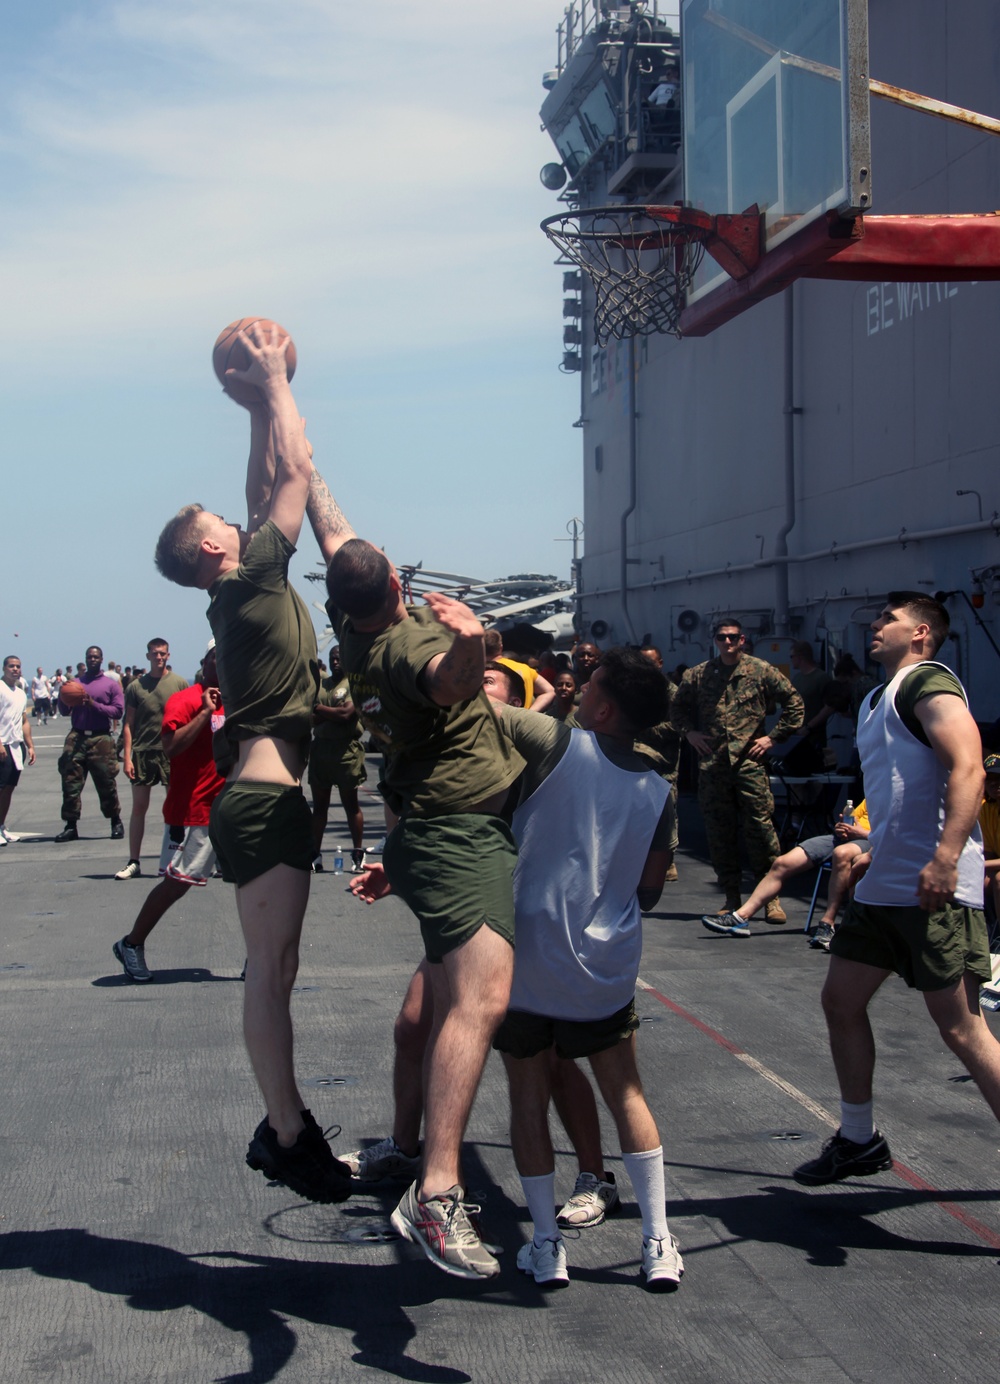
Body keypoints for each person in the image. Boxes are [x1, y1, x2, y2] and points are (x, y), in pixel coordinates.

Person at [153, 322, 351, 1206]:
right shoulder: (251, 578)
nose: (235, 522)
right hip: (266, 799)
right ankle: (284, 1131)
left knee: (278, 968)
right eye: (220, 527)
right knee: (269, 973)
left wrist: (247, 413)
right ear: (210, 552)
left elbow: (263, 483)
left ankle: (285, 1123)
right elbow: (296, 478)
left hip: (265, 792)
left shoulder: (242, 584)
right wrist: (273, 385)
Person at [308, 477, 524, 1280]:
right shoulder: (407, 645)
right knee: (483, 1001)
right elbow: (453, 681)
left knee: (418, 1016)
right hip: (461, 838)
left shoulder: (353, 622)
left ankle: (403, 1149)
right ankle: (437, 1193)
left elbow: (334, 536)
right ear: (399, 583)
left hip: (426, 837)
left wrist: (288, 430)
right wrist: (472, 635)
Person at [344, 661, 622, 1239]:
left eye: (491, 679)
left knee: (550, 1060)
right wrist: (393, 866)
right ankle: (403, 1146)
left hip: (530, 919)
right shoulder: (455, 753)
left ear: (517, 700)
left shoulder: (535, 751)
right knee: (413, 1026)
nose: (478, 682)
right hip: (470, 909)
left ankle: (596, 1176)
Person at [794, 592, 1000, 1186]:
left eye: (889, 619)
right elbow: (900, 791)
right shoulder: (875, 700)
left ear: (921, 634)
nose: (876, 627)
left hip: (932, 887)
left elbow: (970, 768)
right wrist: (870, 840)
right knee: (840, 1001)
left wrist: (943, 858)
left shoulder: (928, 683)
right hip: (884, 883)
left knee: (962, 1029)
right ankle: (858, 1140)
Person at [491, 648, 681, 1290]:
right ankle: (658, 1239)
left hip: (525, 957)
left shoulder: (555, 742)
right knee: (626, 1092)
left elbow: (474, 706)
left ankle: (546, 1245)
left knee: (527, 1096)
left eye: (587, 687)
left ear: (601, 706)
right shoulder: (660, 789)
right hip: (603, 965)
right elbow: (651, 889)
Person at [671, 617, 804, 917]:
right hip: (714, 765)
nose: (728, 643)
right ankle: (731, 897)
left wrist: (772, 738)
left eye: (733, 637)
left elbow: (794, 703)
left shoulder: (760, 671)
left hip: (750, 764)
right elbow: (676, 709)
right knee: (720, 833)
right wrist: (689, 733)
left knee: (761, 830)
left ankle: (770, 899)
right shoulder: (698, 675)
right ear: (714, 641)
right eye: (722, 638)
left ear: (742, 639)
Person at [112, 642, 226, 983]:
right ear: (204, 663)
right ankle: (131, 943)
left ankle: (259, 957)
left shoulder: (239, 700)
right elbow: (171, 747)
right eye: (216, 657)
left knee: (250, 883)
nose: (223, 663)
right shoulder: (186, 699)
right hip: (194, 811)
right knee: (177, 885)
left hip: (232, 809)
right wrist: (205, 713)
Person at [702, 800, 871, 947]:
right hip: (845, 838)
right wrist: (842, 827)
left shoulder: (896, 797)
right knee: (782, 863)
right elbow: (853, 818)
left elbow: (894, 835)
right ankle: (740, 918)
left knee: (841, 854)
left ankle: (827, 924)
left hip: (871, 842)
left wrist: (861, 833)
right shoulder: (874, 789)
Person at [115, 639, 189, 880]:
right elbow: (128, 724)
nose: (159, 657)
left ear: (168, 655)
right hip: (143, 752)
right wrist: (127, 758)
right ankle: (134, 861)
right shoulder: (136, 687)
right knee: (139, 807)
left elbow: (187, 720)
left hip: (171, 752)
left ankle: (177, 860)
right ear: (147, 656)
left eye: (163, 654)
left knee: (175, 807)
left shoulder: (178, 683)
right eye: (155, 654)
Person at [55, 647, 124, 842]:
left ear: (101, 659)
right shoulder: (75, 683)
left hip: (100, 738)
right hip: (77, 736)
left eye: (95, 656)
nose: (92, 659)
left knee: (106, 782)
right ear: (85, 660)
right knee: (70, 783)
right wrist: (63, 695)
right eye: (89, 657)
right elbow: (64, 711)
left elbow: (118, 711)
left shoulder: (110, 685)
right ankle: (70, 825)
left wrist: (92, 703)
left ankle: (115, 821)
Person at [309, 644, 366, 873]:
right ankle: (315, 854)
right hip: (322, 750)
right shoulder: (322, 685)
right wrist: (327, 712)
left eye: (339, 658)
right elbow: (311, 717)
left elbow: (346, 714)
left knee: (350, 804)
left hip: (346, 751)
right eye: (332, 658)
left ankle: (357, 853)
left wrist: (321, 710)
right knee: (319, 806)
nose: (335, 662)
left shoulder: (353, 684)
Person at [0, 656, 35, 843]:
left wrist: (30, 745)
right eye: (11, 666)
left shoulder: (21, 693)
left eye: (18, 666)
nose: (15, 669)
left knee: (9, 788)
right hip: (2, 744)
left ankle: (1, 826)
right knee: (0, 788)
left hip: (16, 745)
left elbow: (24, 720)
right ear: (4, 668)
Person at [979, 754, 1000, 927]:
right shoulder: (986, 808)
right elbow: (989, 852)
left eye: (999, 778)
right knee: (981, 880)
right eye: (990, 779)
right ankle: (987, 929)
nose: (994, 783)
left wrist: (979, 865)